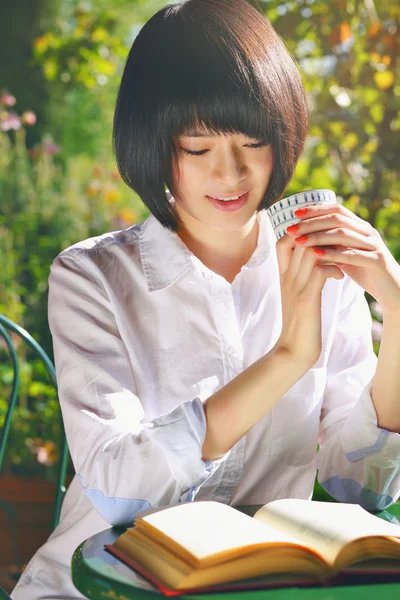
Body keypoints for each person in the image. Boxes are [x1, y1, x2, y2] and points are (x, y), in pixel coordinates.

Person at [12, 0, 400, 598]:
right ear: (154, 143)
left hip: (253, 589)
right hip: (94, 588)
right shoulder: (92, 276)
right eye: (197, 148)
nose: (231, 174)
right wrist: (288, 357)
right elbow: (120, 486)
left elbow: (364, 488)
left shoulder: (320, 269)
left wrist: (397, 311)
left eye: (253, 142)